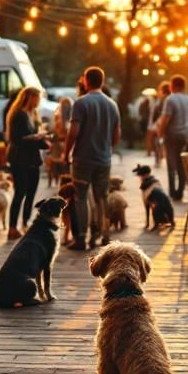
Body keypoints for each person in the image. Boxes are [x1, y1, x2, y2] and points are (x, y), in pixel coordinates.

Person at [63, 66, 120, 250]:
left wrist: (66, 153)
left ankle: (80, 238)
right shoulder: (112, 104)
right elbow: (117, 132)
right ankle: (102, 234)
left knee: (80, 197)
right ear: (102, 81)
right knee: (101, 197)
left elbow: (74, 132)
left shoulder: (80, 103)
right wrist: (109, 149)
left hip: (82, 159)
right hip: (104, 159)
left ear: (86, 81)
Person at [5, 87, 50, 240]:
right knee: (20, 192)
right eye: (36, 98)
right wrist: (37, 136)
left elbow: (35, 139)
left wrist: (44, 141)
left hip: (33, 158)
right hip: (20, 158)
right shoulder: (18, 114)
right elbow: (18, 138)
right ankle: (12, 227)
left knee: (31, 193)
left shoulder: (34, 114)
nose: (38, 101)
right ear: (29, 97)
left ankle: (25, 223)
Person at [156, 75, 188, 200]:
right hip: (185, 135)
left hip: (172, 135)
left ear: (174, 85)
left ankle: (172, 191)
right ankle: (180, 191)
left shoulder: (170, 99)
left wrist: (160, 134)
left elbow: (165, 119)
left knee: (171, 163)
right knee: (181, 164)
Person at [149, 81, 171, 166]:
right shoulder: (170, 98)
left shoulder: (162, 99)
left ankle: (158, 160)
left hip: (161, 123)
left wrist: (155, 122)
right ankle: (165, 158)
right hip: (169, 125)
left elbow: (156, 112)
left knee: (157, 141)